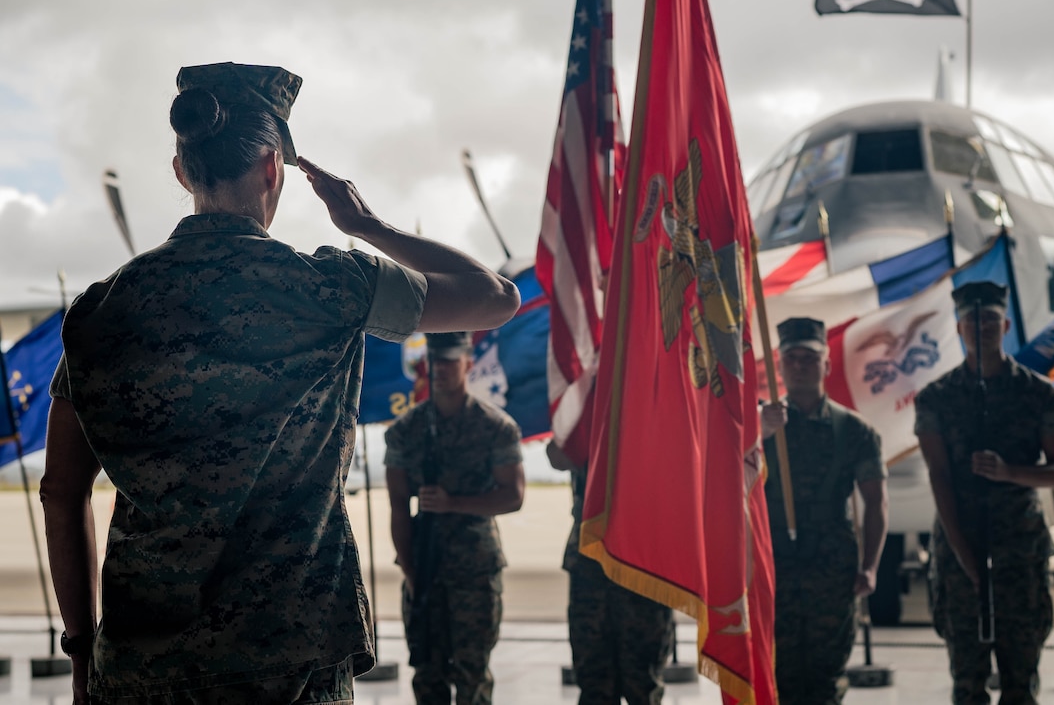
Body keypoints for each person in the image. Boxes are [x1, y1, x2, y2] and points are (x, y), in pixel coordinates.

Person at [39, 61, 520, 705]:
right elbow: (495, 298)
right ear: (274, 169)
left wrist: (81, 652)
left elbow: (62, 491)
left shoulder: (102, 309)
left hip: (142, 665)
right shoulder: (332, 287)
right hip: (291, 663)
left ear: (182, 172)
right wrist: (367, 228)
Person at [915, 281, 1054, 705]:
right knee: (967, 685)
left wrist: (1009, 472)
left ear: (1005, 325)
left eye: (988, 320)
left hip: (1020, 554)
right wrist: (965, 558)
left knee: (1021, 684)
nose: (980, 327)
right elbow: (939, 477)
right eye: (971, 320)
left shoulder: (1039, 394)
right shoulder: (936, 398)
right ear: (958, 326)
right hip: (959, 554)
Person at [384, 331, 525, 705]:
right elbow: (398, 504)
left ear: (469, 363)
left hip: (474, 568)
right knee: (427, 673)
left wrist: (453, 503)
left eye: (450, 360)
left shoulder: (496, 427)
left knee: (472, 672)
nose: (441, 369)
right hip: (424, 565)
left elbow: (513, 496)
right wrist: (411, 572)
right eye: (435, 361)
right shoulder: (405, 430)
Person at [762, 316, 888, 705]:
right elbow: (724, 488)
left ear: (826, 365)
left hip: (830, 571)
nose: (800, 365)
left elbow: (875, 502)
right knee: (776, 677)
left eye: (810, 357)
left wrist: (869, 565)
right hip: (774, 568)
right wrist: (755, 433)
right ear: (779, 365)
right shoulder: (757, 425)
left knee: (824, 679)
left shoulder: (854, 430)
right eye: (791, 357)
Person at [545, 440, 674, 705]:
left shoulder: (656, 407)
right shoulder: (587, 405)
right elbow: (557, 455)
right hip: (591, 556)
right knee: (594, 679)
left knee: (643, 681)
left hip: (643, 557)